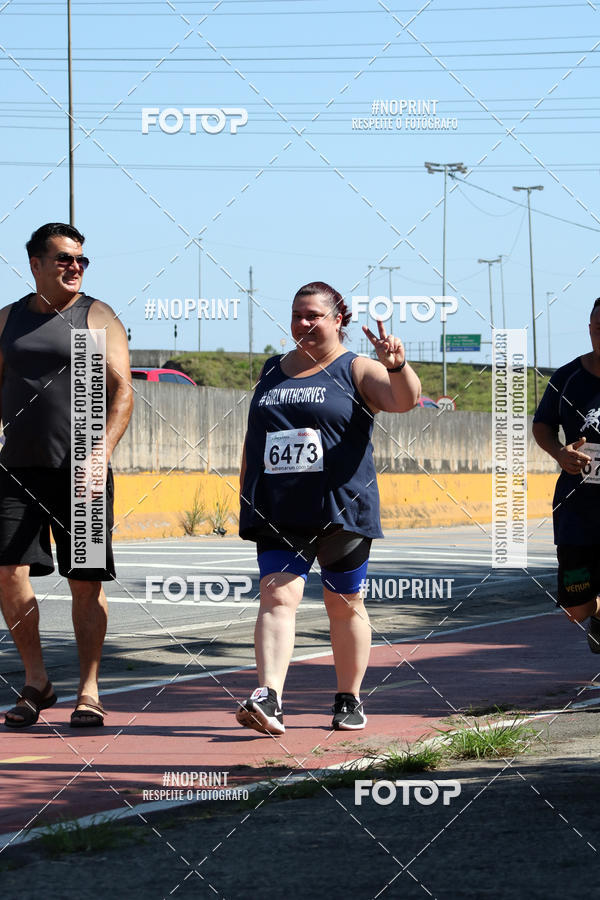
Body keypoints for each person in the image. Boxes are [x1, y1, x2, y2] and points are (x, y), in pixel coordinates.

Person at [236, 281, 421, 734]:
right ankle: (270, 698)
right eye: (298, 314)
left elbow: (404, 400)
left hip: (341, 510)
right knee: (278, 597)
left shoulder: (355, 367)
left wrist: (397, 367)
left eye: (314, 315)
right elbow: (254, 439)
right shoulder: (271, 370)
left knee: (345, 603)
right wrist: (245, 492)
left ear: (339, 319)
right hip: (280, 509)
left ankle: (348, 698)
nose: (303, 323)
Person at [1, 222, 133, 728]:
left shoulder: (94, 316)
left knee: (84, 580)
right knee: (7, 573)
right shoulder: (8, 321)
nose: (75, 267)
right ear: (35, 264)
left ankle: (89, 689)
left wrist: (100, 450)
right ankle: (37, 682)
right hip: (15, 469)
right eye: (63, 259)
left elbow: (122, 393)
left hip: (82, 470)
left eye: (81, 259)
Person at [533, 297, 600, 654]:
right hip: (577, 510)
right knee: (576, 610)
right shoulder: (568, 377)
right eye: (598, 328)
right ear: (590, 329)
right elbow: (542, 424)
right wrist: (559, 453)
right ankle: (598, 612)